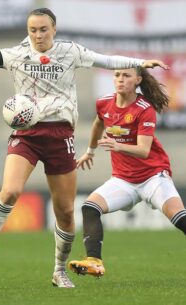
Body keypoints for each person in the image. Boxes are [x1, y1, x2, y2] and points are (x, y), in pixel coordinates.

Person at [0, 8, 168, 288]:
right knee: (10, 191)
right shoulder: (16, 54)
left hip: (60, 135)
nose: (38, 35)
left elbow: (106, 60)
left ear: (54, 29)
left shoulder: (70, 52)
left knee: (66, 211)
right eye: (33, 30)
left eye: (43, 29)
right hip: (27, 133)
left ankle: (59, 270)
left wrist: (141, 62)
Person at [68, 67, 186, 278]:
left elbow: (143, 150)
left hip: (153, 176)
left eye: (126, 76)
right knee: (90, 207)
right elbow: (98, 123)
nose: (120, 79)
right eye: (117, 75)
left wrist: (118, 146)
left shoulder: (144, 109)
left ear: (138, 80)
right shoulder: (104, 102)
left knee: (180, 218)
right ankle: (94, 262)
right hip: (123, 180)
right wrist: (90, 151)